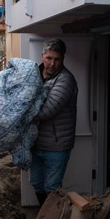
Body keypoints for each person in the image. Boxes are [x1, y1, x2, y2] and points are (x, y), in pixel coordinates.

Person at [31, 38, 78, 206]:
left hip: (56, 145)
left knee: (52, 187)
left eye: (57, 59)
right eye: (49, 58)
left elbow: (47, 110)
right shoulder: (33, 75)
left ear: (63, 59)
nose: (52, 63)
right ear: (42, 56)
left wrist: (20, 112)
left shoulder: (66, 80)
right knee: (37, 184)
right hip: (35, 143)